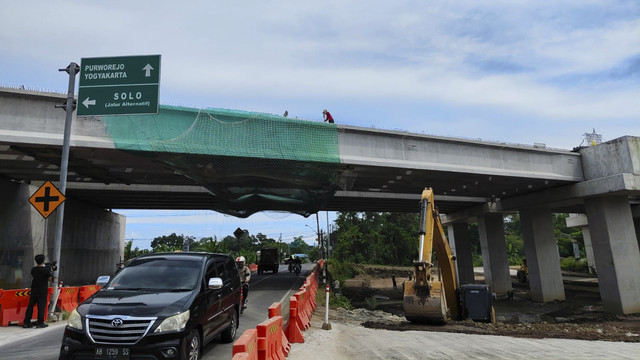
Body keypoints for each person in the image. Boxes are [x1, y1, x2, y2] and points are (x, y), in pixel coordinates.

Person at [23, 254, 54, 328]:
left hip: (34, 290)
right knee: (41, 307)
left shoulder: (33, 269)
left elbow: (38, 272)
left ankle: (27, 322)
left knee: (30, 306)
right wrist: (50, 270)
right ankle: (40, 322)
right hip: (42, 291)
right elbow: (50, 279)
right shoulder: (46, 269)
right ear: (43, 260)